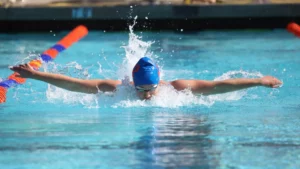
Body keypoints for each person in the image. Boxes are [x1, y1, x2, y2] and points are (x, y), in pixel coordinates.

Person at [10, 57, 282, 100]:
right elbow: (72, 84)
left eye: (151, 88)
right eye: (141, 88)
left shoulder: (177, 89)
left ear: (159, 82)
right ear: (133, 83)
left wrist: (259, 80)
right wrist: (34, 75)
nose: (147, 95)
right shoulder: (118, 89)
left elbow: (219, 86)